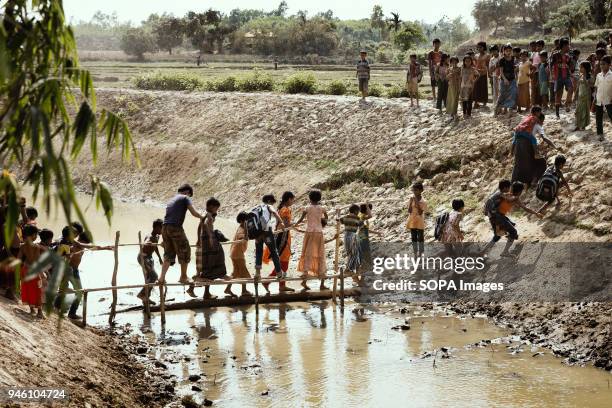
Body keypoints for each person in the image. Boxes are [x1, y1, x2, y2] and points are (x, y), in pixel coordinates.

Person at [55, 224, 112, 319]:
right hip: (68, 269)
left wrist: (105, 248)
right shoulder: (73, 244)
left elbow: (91, 247)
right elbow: (62, 250)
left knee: (73, 290)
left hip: (74, 270)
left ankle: (67, 311)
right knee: (74, 290)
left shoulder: (79, 245)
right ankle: (62, 310)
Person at [159, 184, 205, 285]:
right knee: (185, 250)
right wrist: (202, 217)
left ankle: (161, 278)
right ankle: (183, 277)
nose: (189, 196)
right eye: (189, 194)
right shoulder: (184, 198)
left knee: (168, 253)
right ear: (187, 192)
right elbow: (193, 212)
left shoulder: (171, 200)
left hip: (165, 227)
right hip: (175, 227)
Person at [482, 181, 542, 257]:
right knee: (513, 232)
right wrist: (536, 213)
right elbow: (524, 207)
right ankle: (505, 252)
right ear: (520, 191)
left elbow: (524, 208)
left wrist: (536, 213)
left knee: (497, 236)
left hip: (493, 217)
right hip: (498, 217)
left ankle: (483, 251)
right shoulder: (510, 196)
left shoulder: (508, 195)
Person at [190, 197, 230, 299]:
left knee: (208, 266)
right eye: (216, 208)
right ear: (211, 207)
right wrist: (211, 238)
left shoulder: (204, 214)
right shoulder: (207, 215)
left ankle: (202, 292)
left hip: (206, 240)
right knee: (210, 264)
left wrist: (199, 238)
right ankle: (202, 291)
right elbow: (206, 224)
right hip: (208, 241)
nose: (216, 210)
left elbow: (200, 226)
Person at [511, 108, 556, 186]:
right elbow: (544, 138)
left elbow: (515, 136)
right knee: (541, 163)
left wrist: (511, 150)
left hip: (518, 144)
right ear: (541, 120)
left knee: (518, 163)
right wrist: (555, 146)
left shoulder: (525, 121)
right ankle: (534, 180)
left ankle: (513, 184)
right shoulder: (538, 125)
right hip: (527, 144)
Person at [263, 191, 296, 294]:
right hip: (283, 238)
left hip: (281, 236)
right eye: (292, 199)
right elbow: (286, 225)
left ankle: (281, 285)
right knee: (283, 263)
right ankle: (268, 281)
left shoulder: (281, 208)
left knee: (283, 262)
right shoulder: (285, 210)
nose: (293, 201)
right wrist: (297, 223)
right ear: (289, 199)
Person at [296, 190, 328, 291]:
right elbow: (326, 218)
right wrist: (320, 220)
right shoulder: (322, 208)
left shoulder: (307, 208)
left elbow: (301, 219)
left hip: (309, 232)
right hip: (318, 233)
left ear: (310, 198)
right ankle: (322, 283)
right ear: (319, 198)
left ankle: (305, 277)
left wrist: (295, 225)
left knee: (307, 254)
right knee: (320, 254)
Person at [253, 194, 285, 285]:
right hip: (267, 232)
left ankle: (257, 273)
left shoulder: (256, 207)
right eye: (272, 202)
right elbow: (274, 212)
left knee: (258, 252)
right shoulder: (268, 206)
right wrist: (281, 223)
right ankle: (279, 273)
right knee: (273, 251)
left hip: (257, 233)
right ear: (269, 201)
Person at [19, 225, 45, 318]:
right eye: (36, 235)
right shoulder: (36, 247)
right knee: (38, 290)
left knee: (28, 289)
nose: (36, 237)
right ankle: (40, 312)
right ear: (33, 235)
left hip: (25, 269)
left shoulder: (22, 246)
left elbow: (19, 260)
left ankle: (32, 310)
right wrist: (42, 273)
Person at [225, 212, 251, 298]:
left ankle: (228, 288)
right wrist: (247, 228)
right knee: (244, 273)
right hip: (238, 253)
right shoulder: (242, 229)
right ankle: (244, 291)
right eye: (247, 220)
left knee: (235, 272)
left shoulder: (241, 227)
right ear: (243, 221)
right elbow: (244, 238)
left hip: (234, 253)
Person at [136, 219, 163, 304]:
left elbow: (155, 247)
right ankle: (141, 294)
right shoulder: (150, 236)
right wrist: (148, 243)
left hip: (150, 258)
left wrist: (159, 258)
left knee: (150, 278)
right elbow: (146, 242)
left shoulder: (157, 236)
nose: (163, 230)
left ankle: (146, 297)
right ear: (157, 228)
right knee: (154, 276)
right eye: (162, 228)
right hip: (143, 257)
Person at [339, 205, 363, 285]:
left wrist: (338, 213)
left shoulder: (345, 217)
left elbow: (338, 220)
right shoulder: (357, 218)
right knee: (355, 253)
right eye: (358, 211)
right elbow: (361, 227)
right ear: (356, 211)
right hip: (353, 235)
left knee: (350, 253)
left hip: (346, 236)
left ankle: (354, 276)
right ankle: (348, 269)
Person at [551, 38, 575, 117]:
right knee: (558, 94)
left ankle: (567, 104)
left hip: (567, 76)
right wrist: (552, 75)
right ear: (564, 46)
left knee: (571, 88)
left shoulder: (568, 56)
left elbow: (571, 68)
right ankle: (557, 113)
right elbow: (550, 65)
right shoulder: (555, 55)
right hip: (558, 77)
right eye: (568, 45)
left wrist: (572, 62)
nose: (569, 47)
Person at [593, 55, 612, 141]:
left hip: (609, 99)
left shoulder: (611, 75)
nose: (601, 66)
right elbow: (596, 87)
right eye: (600, 64)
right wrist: (595, 97)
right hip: (599, 99)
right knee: (598, 117)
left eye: (604, 64)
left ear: (609, 65)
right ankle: (600, 134)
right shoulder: (598, 75)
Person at [496, 44, 517, 116]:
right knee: (502, 94)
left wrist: (516, 69)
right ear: (504, 51)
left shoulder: (513, 58)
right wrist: (505, 79)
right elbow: (501, 72)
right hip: (504, 79)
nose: (508, 52)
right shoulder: (502, 60)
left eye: (510, 51)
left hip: (512, 79)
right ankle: (497, 110)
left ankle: (509, 110)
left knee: (512, 94)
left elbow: (514, 68)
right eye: (507, 51)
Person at [406, 182, 427, 257]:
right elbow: (409, 211)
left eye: (416, 190)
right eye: (413, 190)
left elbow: (420, 212)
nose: (414, 192)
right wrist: (411, 202)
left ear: (421, 190)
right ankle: (415, 253)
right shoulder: (411, 198)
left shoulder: (423, 201)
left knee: (420, 237)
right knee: (413, 237)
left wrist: (416, 202)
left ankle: (421, 253)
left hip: (419, 220)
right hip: (412, 219)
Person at [575, 61, 593, 131]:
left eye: (581, 67)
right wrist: (575, 95)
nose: (580, 68)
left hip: (586, 96)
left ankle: (583, 126)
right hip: (580, 96)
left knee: (584, 111)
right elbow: (578, 86)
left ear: (585, 68)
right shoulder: (581, 76)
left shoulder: (589, 76)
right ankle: (577, 125)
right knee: (578, 111)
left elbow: (591, 86)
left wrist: (585, 80)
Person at [472, 41, 489, 109]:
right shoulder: (476, 56)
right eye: (478, 47)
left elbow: (488, 65)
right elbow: (474, 64)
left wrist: (489, 72)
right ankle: (476, 103)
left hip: (483, 73)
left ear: (484, 47)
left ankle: (484, 103)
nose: (479, 48)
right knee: (476, 88)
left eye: (480, 47)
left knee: (483, 87)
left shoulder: (487, 56)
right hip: (476, 74)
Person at [357, 203, 373, 271]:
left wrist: (377, 233)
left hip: (363, 237)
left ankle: (365, 268)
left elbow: (365, 229)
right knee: (366, 252)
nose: (370, 211)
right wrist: (367, 206)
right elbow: (370, 215)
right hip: (362, 238)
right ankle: (366, 268)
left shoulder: (361, 216)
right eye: (369, 209)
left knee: (365, 253)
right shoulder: (362, 216)